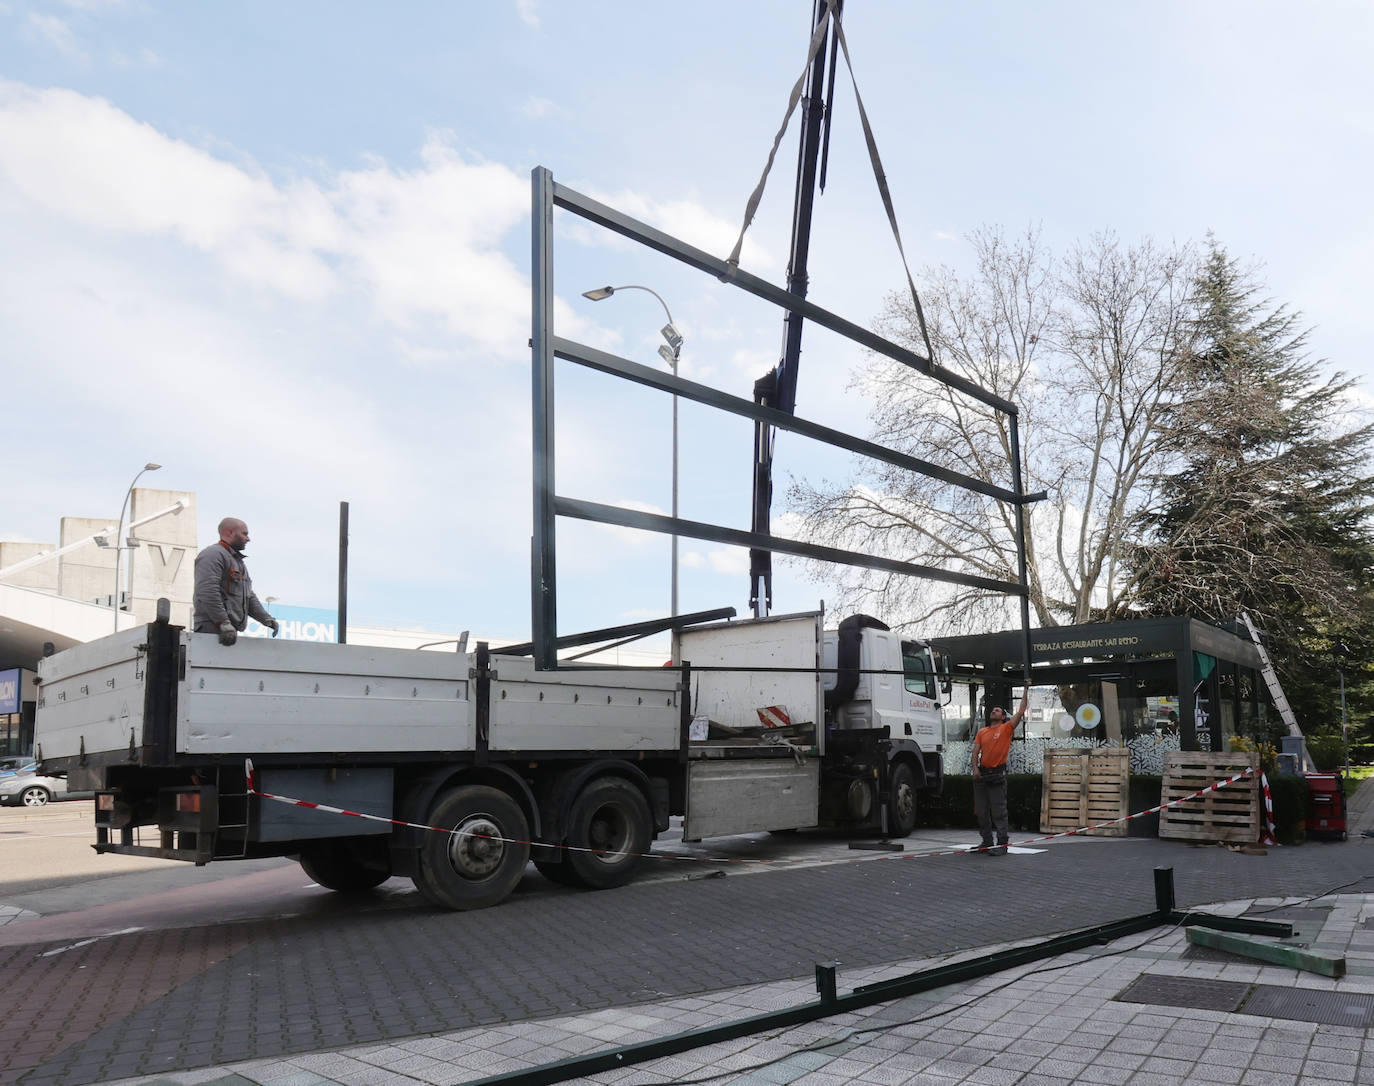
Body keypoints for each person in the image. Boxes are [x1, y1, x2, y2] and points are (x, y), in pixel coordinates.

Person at [193, 517, 279, 645]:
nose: (248, 539)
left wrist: (266, 619)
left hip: (227, 631)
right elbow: (207, 591)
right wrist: (223, 622)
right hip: (212, 629)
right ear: (230, 532)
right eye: (244, 534)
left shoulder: (237, 561)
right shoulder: (213, 555)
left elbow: (248, 596)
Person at [970, 691, 1030, 856]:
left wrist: (1026, 690)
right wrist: (975, 769)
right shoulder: (982, 732)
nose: (993, 711)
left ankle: (1002, 844)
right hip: (982, 775)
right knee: (982, 812)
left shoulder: (1006, 728)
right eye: (992, 710)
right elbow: (975, 752)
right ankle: (987, 842)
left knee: (999, 812)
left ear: (1003, 717)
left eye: (997, 710)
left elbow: (1021, 710)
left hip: (996, 775)